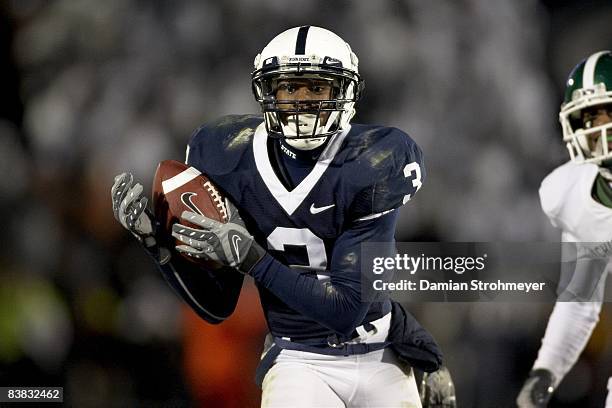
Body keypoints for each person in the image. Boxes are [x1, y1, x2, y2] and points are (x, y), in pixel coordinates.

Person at [112, 26, 454, 407]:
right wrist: (160, 245)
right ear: (268, 91)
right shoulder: (227, 157)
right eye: (289, 88)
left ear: (344, 92)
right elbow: (216, 306)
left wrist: (255, 261)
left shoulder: (373, 161)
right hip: (299, 359)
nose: (302, 101)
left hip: (381, 356)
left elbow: (346, 310)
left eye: (316, 88)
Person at [517, 50, 612, 408]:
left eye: (610, 113)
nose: (601, 128)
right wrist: (547, 369)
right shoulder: (575, 194)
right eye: (590, 116)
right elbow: (580, 299)